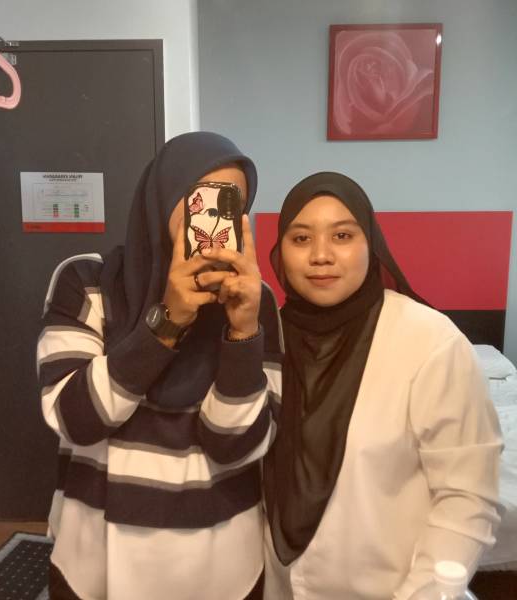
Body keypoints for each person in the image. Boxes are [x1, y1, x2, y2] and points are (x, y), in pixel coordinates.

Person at [36, 132, 283, 600]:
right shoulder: (87, 282)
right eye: (200, 198)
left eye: (229, 202)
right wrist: (166, 321)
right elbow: (75, 419)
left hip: (222, 558)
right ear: (162, 196)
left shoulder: (255, 301)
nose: (212, 218)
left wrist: (242, 331)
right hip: (98, 555)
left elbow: (237, 446)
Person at [262, 172, 502, 600]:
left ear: (370, 244)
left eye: (342, 235)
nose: (320, 255)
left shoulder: (430, 342)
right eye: (301, 239)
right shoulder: (264, 341)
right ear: (281, 252)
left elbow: (467, 497)